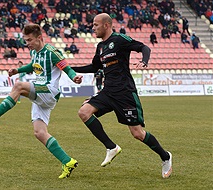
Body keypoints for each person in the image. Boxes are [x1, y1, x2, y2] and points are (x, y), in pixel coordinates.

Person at [71, 13, 172, 179]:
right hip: (108, 91)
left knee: (137, 133)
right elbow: (94, 67)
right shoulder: (101, 47)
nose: (93, 28)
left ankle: (165, 156)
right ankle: (111, 147)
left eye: (96, 25)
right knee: (84, 112)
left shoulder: (119, 40)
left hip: (125, 93)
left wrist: (144, 61)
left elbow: (144, 48)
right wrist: (71, 68)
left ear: (106, 25)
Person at [0, 24, 83, 179]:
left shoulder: (51, 52)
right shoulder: (34, 52)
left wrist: (74, 77)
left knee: (19, 86)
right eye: (25, 40)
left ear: (39, 38)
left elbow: (66, 67)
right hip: (41, 94)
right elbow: (33, 66)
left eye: (30, 40)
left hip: (49, 91)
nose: (27, 43)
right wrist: (18, 70)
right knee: (40, 133)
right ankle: (67, 161)